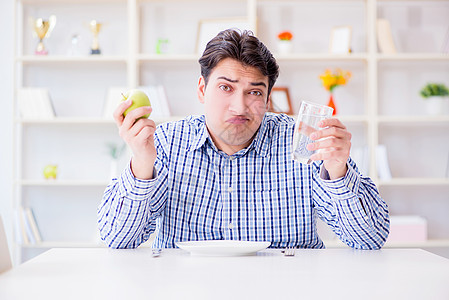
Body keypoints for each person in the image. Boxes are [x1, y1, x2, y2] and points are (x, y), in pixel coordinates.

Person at [98, 29, 389, 250]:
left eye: (254, 92)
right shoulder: (164, 143)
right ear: (202, 89)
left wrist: (338, 172)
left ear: (267, 97)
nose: (239, 107)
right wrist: (142, 164)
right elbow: (117, 239)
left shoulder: (304, 142)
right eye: (226, 88)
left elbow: (371, 239)